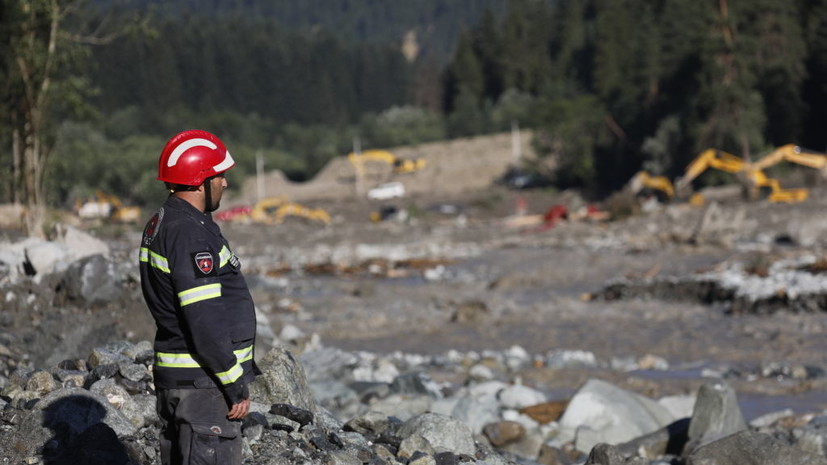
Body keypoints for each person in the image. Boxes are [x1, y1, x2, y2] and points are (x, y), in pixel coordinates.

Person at [138, 129, 259, 465]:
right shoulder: (188, 233)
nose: (224, 183)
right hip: (202, 386)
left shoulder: (167, 222)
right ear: (201, 180)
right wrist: (234, 382)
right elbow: (203, 318)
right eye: (219, 175)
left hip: (183, 380)